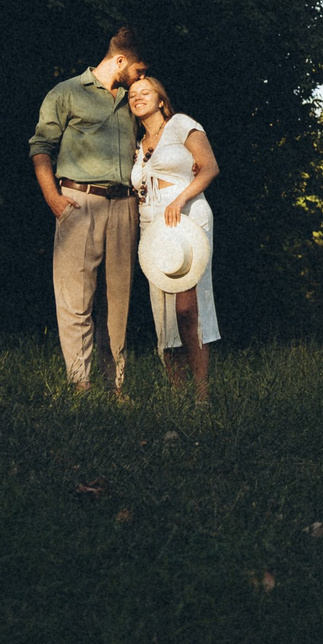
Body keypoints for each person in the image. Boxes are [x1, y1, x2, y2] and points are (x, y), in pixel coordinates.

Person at [27, 28, 146, 396]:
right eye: (138, 71)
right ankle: (81, 384)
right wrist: (52, 197)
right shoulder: (66, 92)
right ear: (121, 60)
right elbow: (41, 146)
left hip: (125, 205)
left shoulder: (133, 99)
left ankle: (115, 388)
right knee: (75, 297)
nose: (141, 79)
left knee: (119, 301)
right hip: (79, 202)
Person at [127, 74, 219, 404]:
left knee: (187, 309)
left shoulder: (181, 125)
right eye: (132, 95)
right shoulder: (138, 145)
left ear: (161, 99)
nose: (137, 97)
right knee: (164, 313)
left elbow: (209, 167)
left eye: (145, 92)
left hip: (186, 215)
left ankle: (202, 394)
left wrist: (179, 199)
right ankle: (177, 395)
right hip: (153, 222)